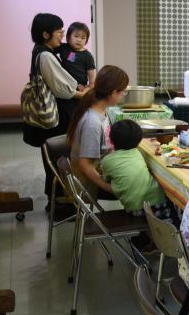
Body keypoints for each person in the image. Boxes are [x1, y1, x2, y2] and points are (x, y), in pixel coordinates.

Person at [22, 13, 87, 219]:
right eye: (60, 32)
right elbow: (62, 89)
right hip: (58, 116)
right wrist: (83, 94)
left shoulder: (42, 50)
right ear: (45, 33)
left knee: (53, 156)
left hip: (55, 115)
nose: (62, 36)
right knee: (60, 158)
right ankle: (60, 205)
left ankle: (56, 200)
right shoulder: (46, 55)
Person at [67, 65, 129, 198]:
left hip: (102, 168)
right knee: (141, 185)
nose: (123, 96)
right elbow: (85, 166)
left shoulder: (101, 109)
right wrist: (109, 188)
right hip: (91, 181)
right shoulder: (92, 123)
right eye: (123, 92)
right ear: (113, 92)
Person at [100, 120, 167, 212]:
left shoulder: (106, 161)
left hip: (136, 209)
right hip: (159, 200)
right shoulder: (138, 153)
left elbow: (106, 179)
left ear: (111, 139)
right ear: (138, 141)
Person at [57, 22, 96, 90]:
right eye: (76, 36)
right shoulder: (63, 47)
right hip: (63, 84)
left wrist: (90, 87)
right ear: (68, 37)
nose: (79, 40)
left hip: (80, 86)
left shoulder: (87, 55)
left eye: (83, 38)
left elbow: (91, 74)